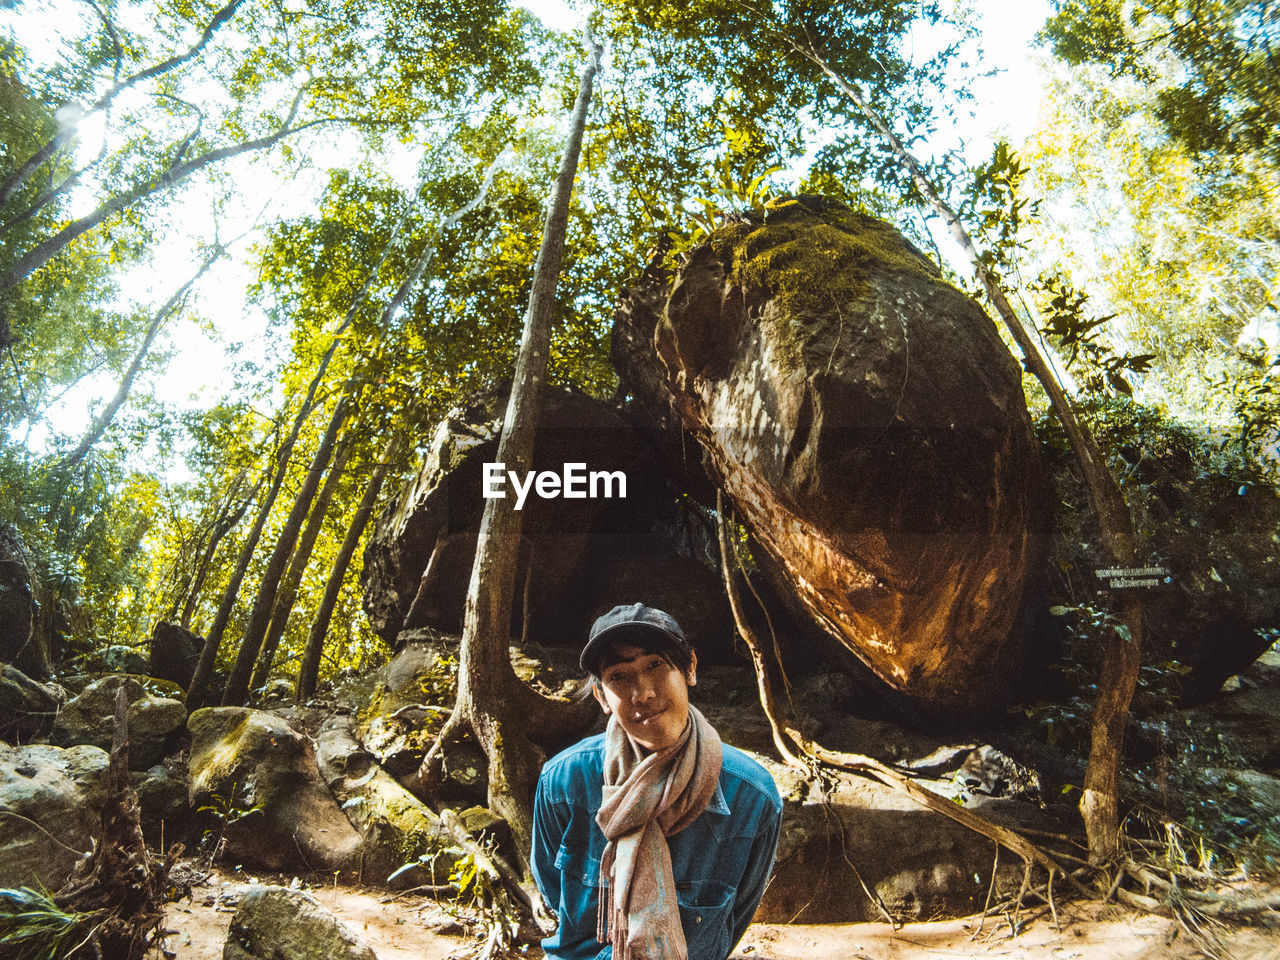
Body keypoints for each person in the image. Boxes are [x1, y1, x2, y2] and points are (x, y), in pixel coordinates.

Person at [531, 602, 783, 960]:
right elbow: (552, 890)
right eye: (619, 676)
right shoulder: (564, 782)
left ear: (690, 669)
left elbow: (733, 921)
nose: (643, 692)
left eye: (656, 665)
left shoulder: (752, 798)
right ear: (602, 696)